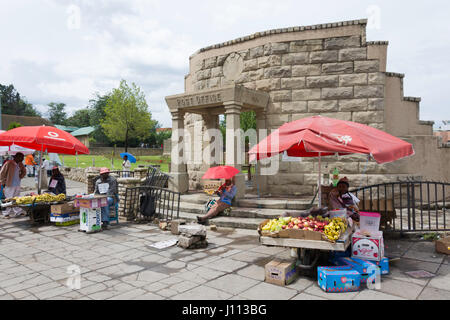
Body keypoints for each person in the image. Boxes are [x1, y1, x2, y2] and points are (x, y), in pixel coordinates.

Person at [0, 152, 26, 218]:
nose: (23, 159)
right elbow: (2, 173)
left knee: (16, 198)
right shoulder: (9, 163)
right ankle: (6, 213)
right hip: (9, 184)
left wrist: (21, 176)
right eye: (21, 157)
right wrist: (3, 182)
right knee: (8, 199)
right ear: (16, 157)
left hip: (17, 184)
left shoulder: (20, 164)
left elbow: (24, 171)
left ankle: (18, 212)